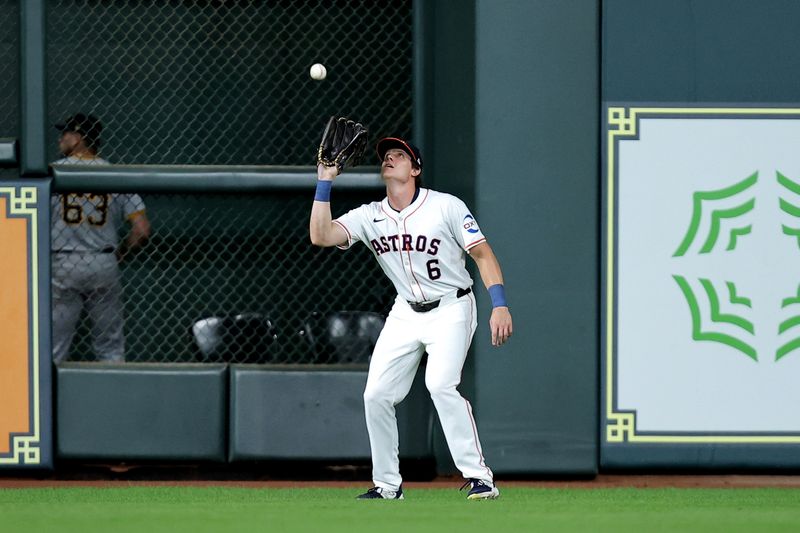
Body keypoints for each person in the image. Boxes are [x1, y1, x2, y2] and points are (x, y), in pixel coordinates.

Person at [309, 137, 513, 500]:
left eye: (399, 155)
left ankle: (481, 478)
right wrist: (325, 180)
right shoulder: (369, 215)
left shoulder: (446, 207)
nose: (389, 159)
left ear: (415, 169)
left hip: (452, 306)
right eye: (386, 156)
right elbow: (321, 236)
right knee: (376, 395)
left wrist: (499, 303)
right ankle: (388, 486)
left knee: (439, 384)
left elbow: (482, 254)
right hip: (405, 311)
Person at [50, 113, 151, 363]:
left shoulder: (51, 174)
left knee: (54, 348)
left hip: (63, 263)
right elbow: (141, 230)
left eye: (66, 133)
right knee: (110, 348)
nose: (61, 138)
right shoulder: (115, 173)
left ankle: (46, 400)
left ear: (80, 138)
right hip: (103, 262)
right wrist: (122, 255)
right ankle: (115, 397)